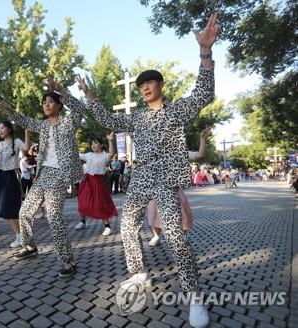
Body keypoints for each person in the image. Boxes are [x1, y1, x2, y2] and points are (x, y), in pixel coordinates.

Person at [79, 13, 219, 327]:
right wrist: (89, 97)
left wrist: (205, 53)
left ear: (160, 85)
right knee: (127, 226)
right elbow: (110, 122)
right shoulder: (137, 118)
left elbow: (204, 95)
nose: (144, 87)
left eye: (149, 82)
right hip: (141, 178)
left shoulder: (177, 110)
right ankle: (139, 274)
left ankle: (194, 295)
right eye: (141, 84)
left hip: (166, 180)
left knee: (175, 236)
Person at [0, 76, 85, 280]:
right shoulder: (43, 126)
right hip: (43, 173)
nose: (46, 105)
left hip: (60, 174)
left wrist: (62, 91)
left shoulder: (68, 122)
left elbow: (79, 109)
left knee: (54, 217)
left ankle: (68, 261)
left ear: (59, 105)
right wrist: (8, 109)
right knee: (24, 211)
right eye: (44, 102)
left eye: (50, 101)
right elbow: (24, 120)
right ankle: (30, 246)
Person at [148, 127, 212, 247]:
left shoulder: (179, 152)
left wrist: (203, 139)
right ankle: (156, 236)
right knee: (154, 213)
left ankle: (182, 236)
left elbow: (199, 155)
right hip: (156, 189)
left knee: (182, 214)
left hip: (174, 189)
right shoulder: (153, 152)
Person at [75, 132, 118, 236]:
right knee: (82, 201)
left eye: (96, 143)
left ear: (101, 145)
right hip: (87, 181)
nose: (93, 145)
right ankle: (82, 221)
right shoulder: (88, 155)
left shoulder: (105, 156)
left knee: (100, 204)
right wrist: (73, 142)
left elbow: (112, 154)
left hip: (98, 182)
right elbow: (76, 154)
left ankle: (107, 227)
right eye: (92, 144)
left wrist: (110, 140)